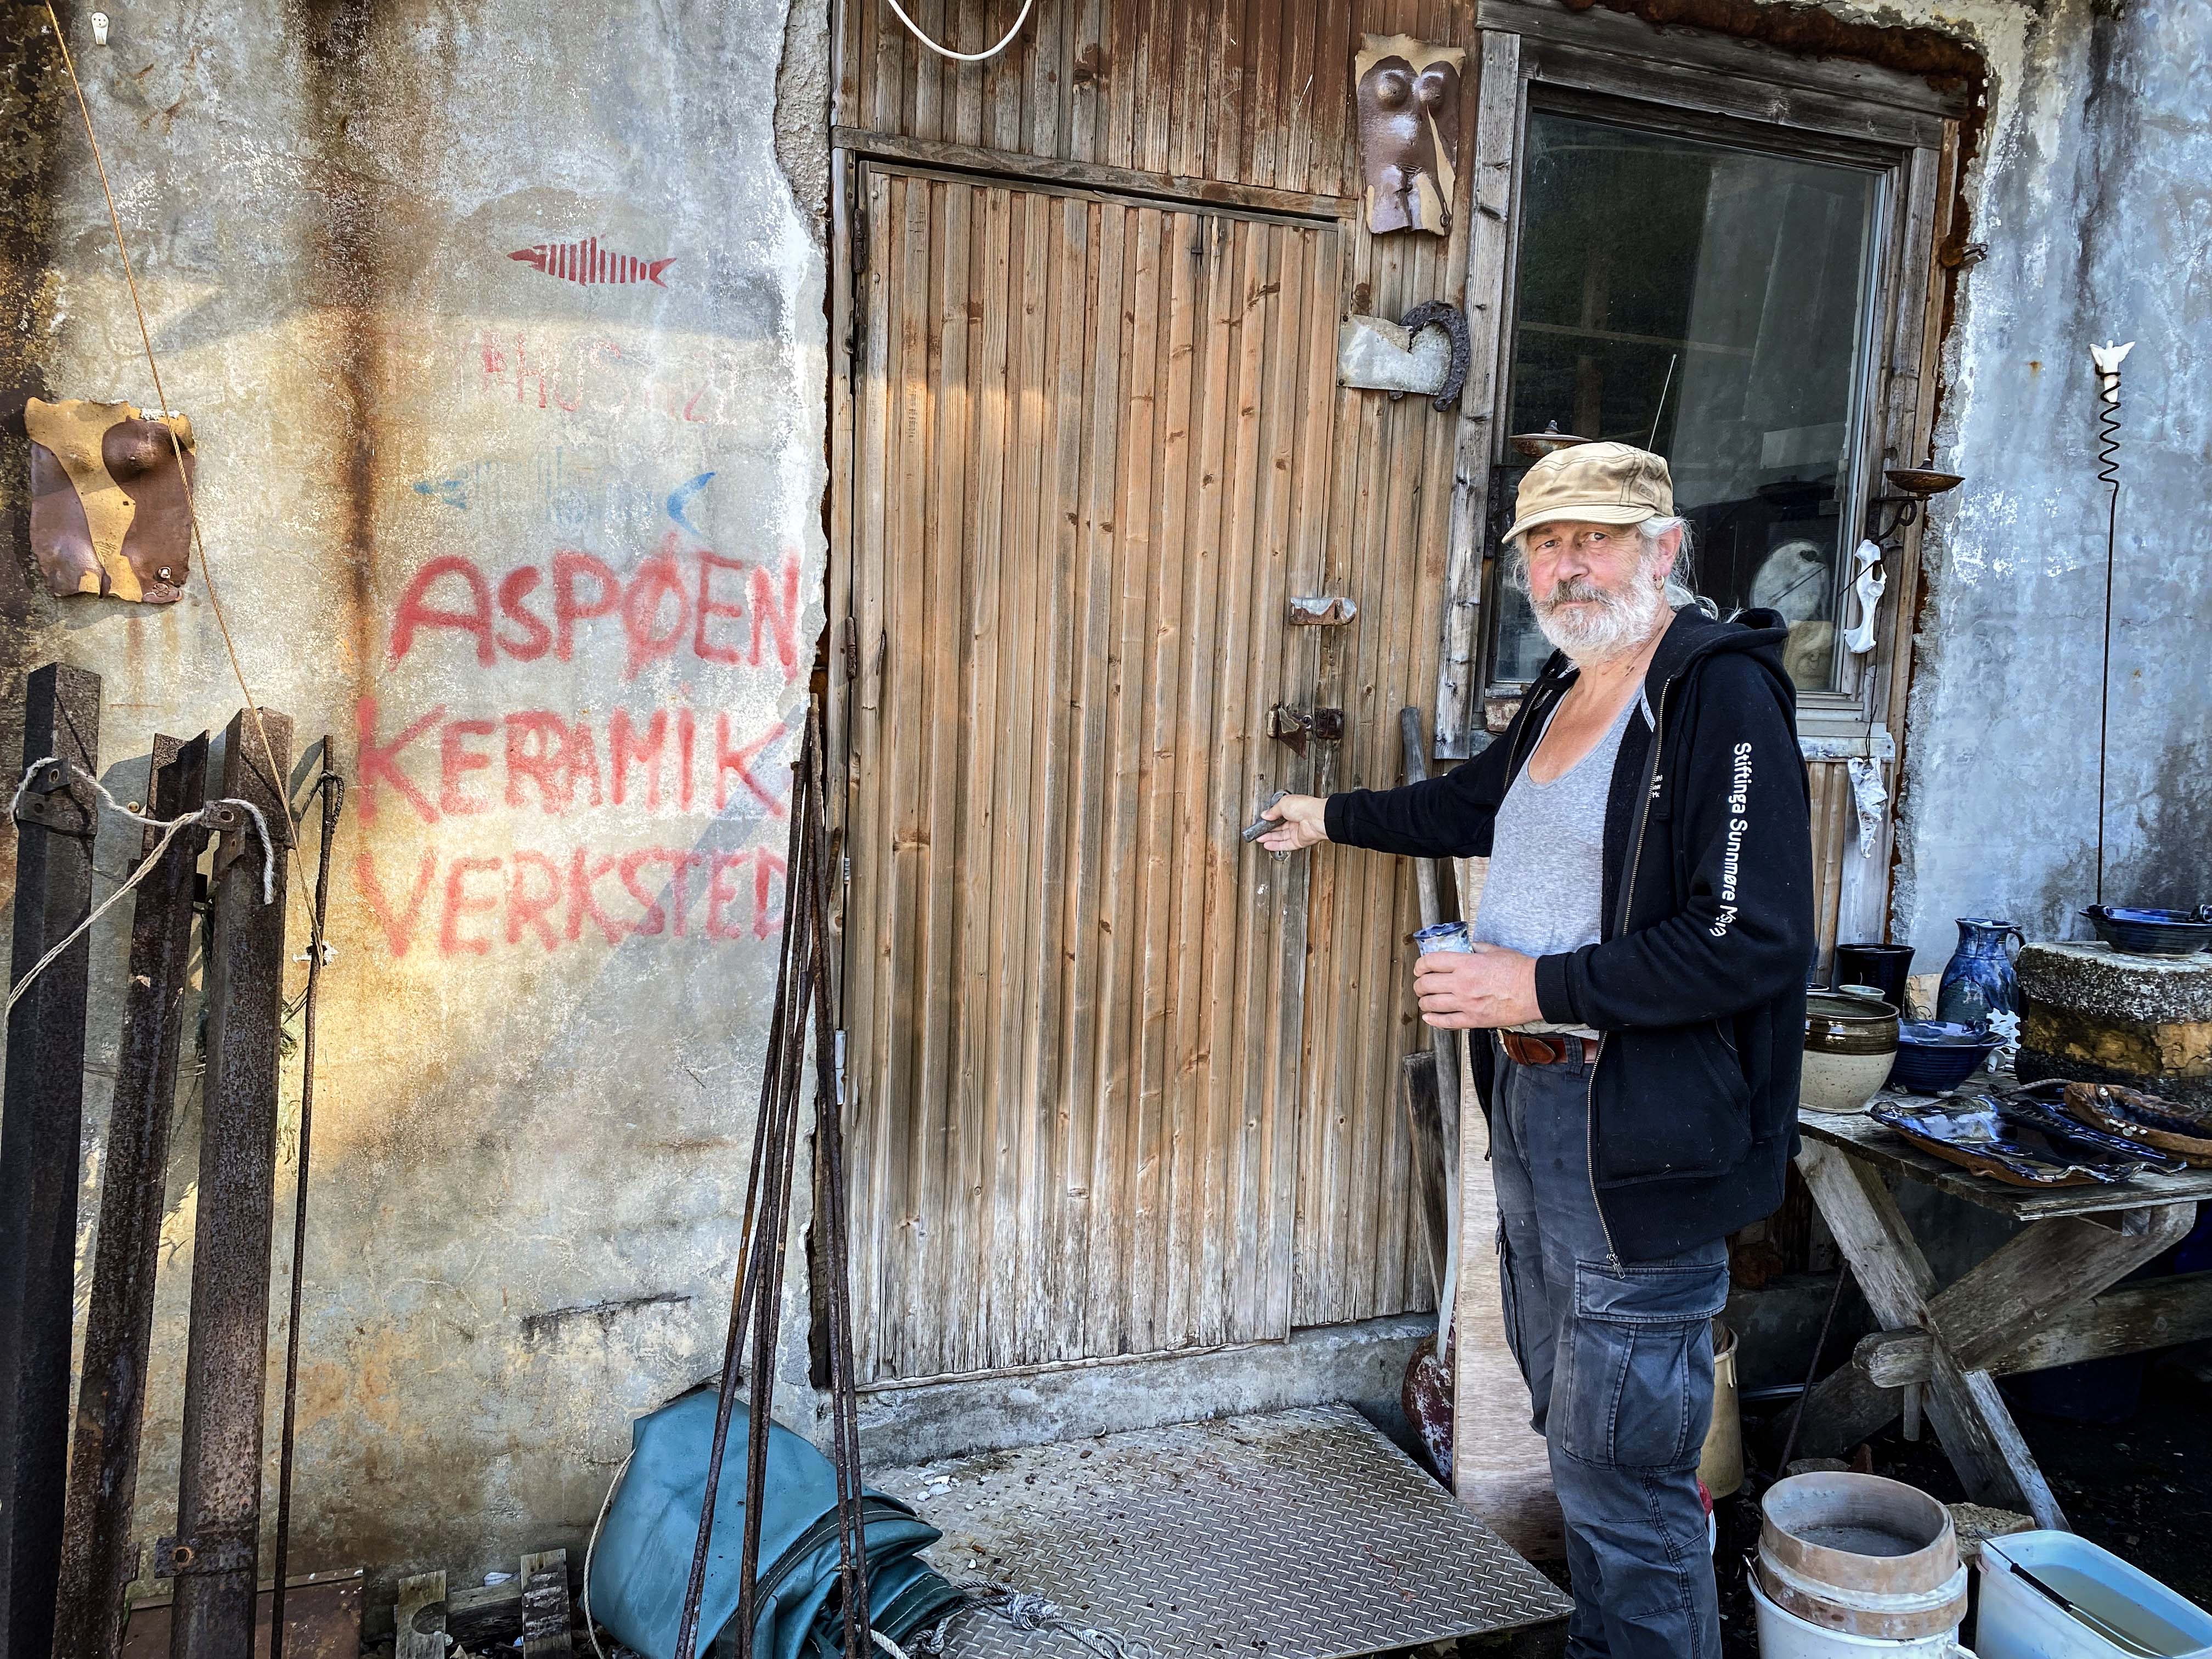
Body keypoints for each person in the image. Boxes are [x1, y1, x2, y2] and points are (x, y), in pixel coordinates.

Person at [1260, 442, 1814, 1658]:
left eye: (1596, 540)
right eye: (1546, 547)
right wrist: (1334, 815)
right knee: (1576, 1420)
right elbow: (1471, 807)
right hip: (1535, 1104)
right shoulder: (1566, 693)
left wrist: (1532, 983)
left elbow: (1752, 942)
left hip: (1642, 1127)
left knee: (1630, 1468)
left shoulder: (1716, 695)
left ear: (1663, 550)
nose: (1566, 569)